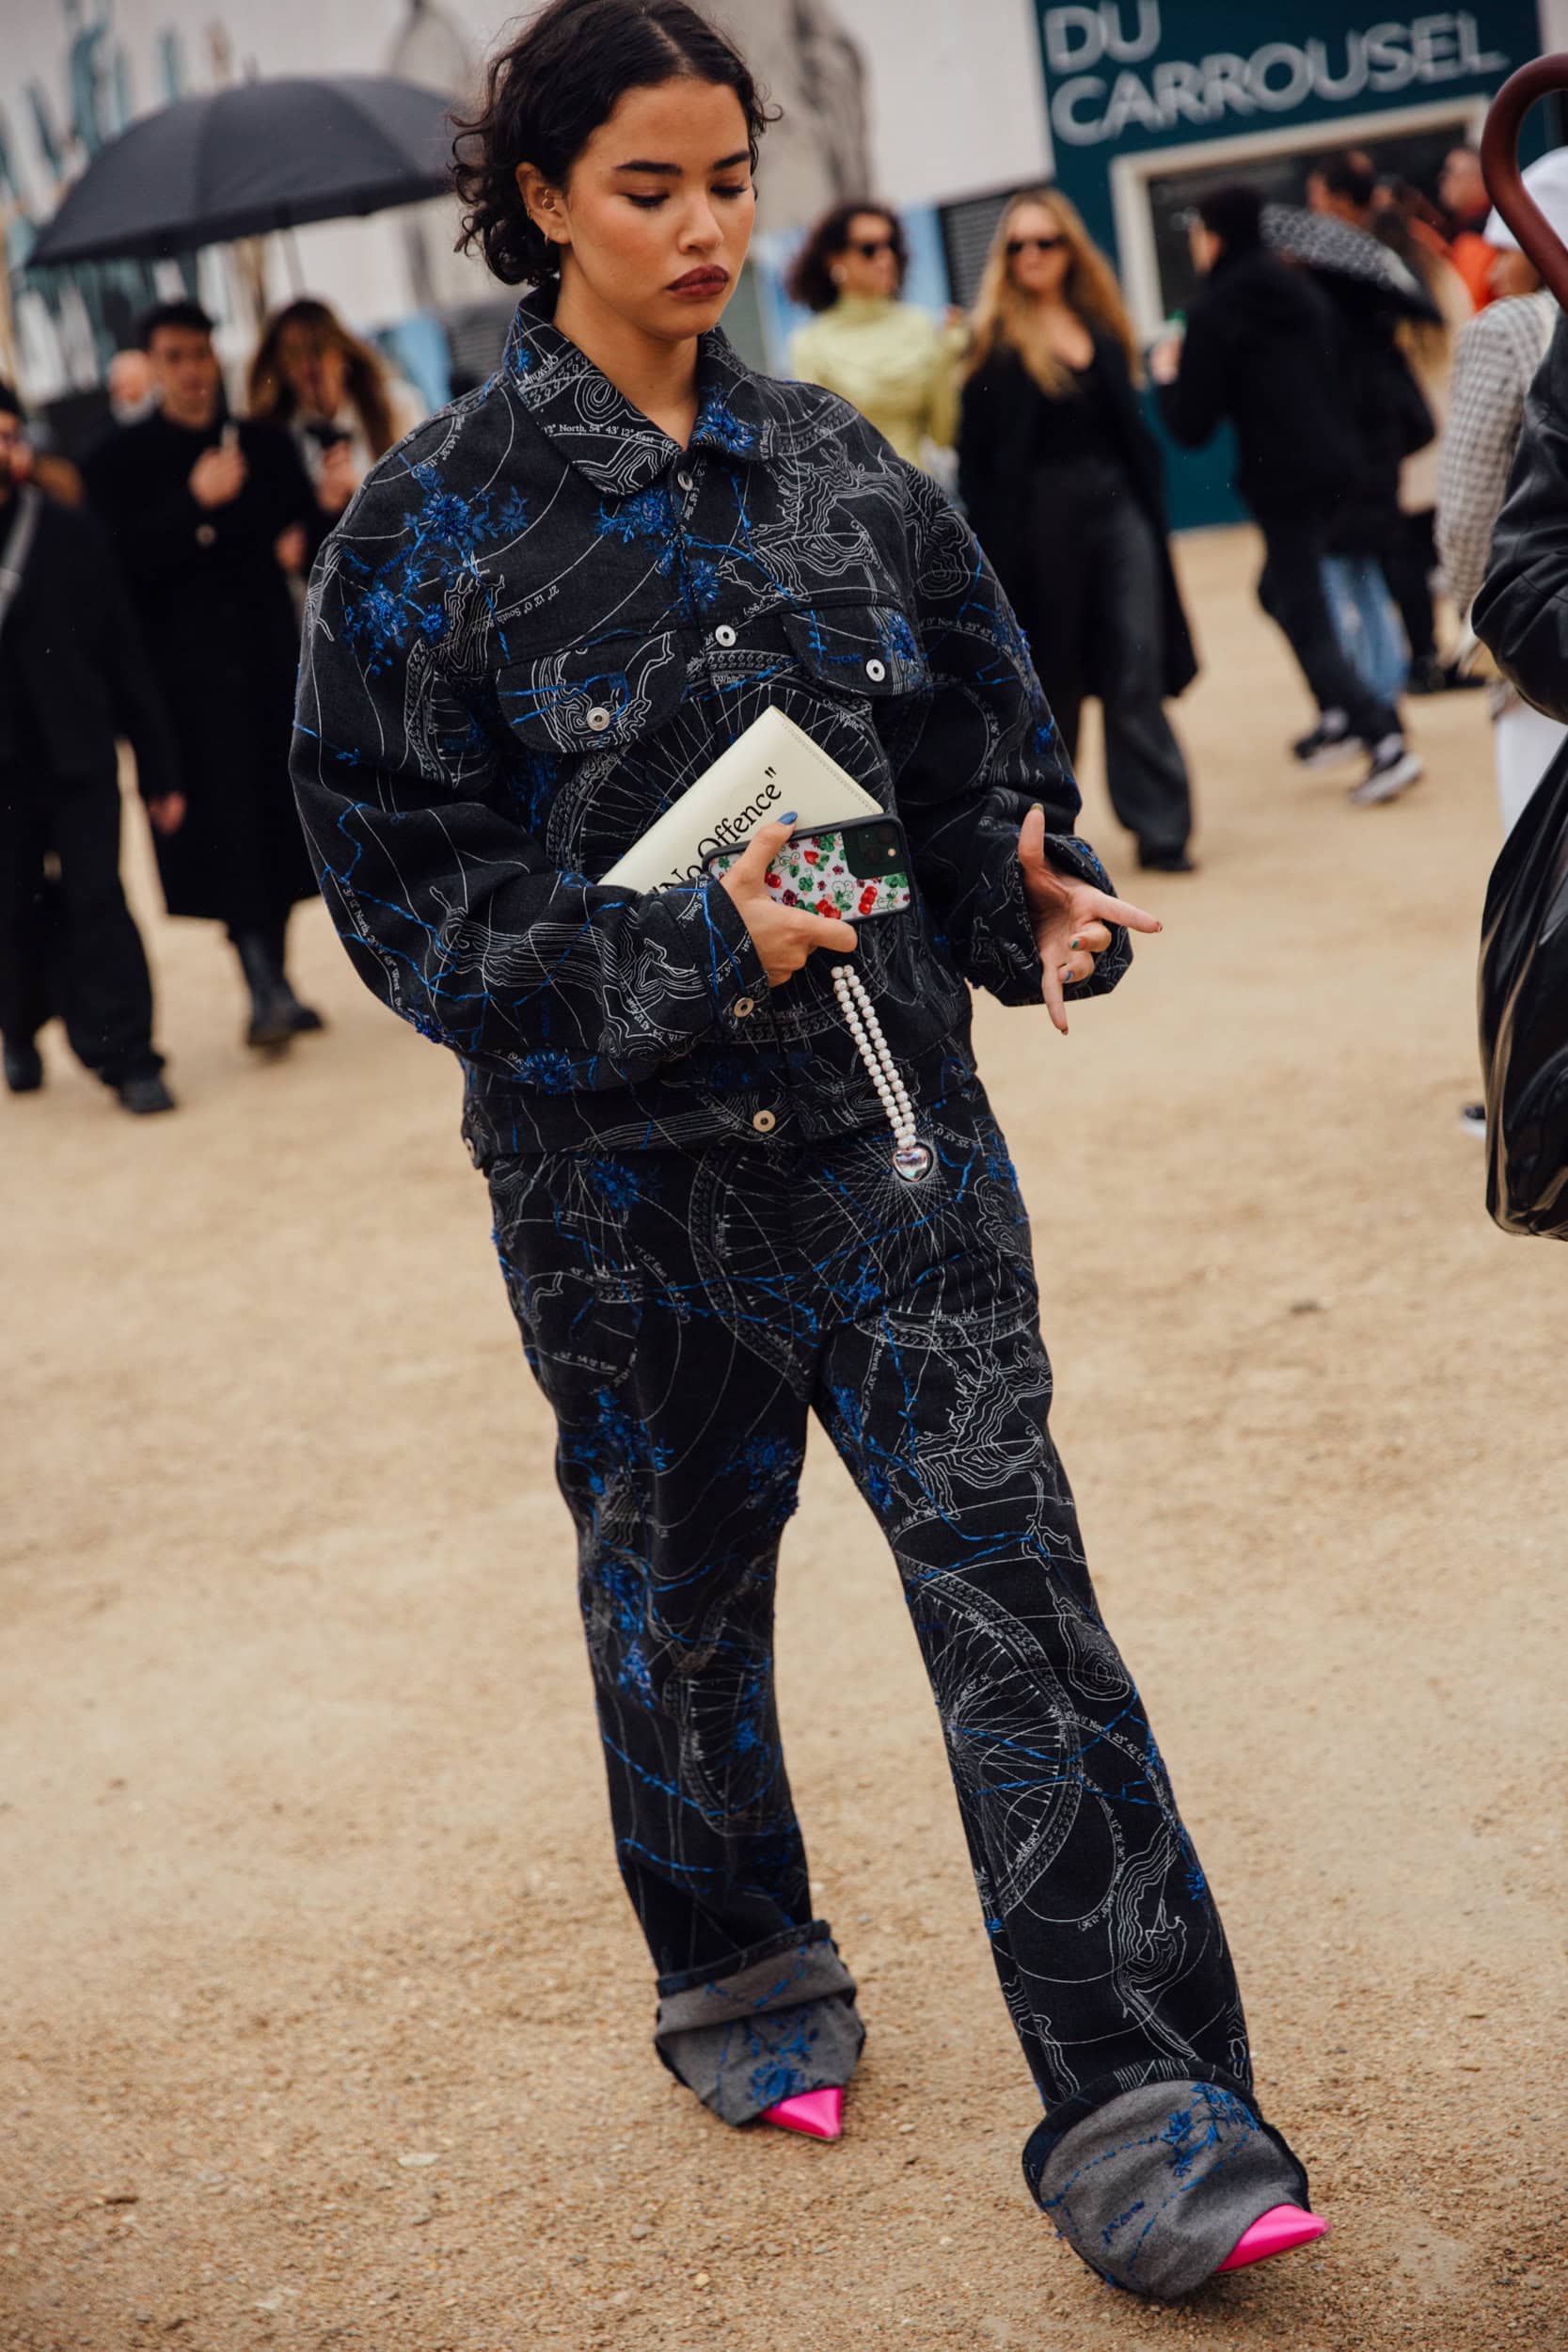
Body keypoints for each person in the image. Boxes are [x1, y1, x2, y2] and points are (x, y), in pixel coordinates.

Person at [291, 0, 1323, 2300]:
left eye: (729, 179)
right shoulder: (424, 531)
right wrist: (691, 943)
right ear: (541, 199)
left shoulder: (844, 470)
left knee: (1014, 1596)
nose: (705, 228)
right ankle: (739, 1957)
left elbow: (969, 752)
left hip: (895, 1151)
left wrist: (1020, 888)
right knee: (676, 1589)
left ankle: (1151, 2103)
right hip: (618, 1198)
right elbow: (409, 904)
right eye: (648, 187)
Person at [83, 300, 326, 1050]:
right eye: (175, 357)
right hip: (183, 683)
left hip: (268, 667)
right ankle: (261, 980)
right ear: (153, 366)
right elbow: (114, 573)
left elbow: (309, 543)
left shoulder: (263, 444)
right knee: (223, 828)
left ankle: (275, 975)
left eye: (201, 353)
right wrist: (194, 506)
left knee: (279, 822)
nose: (192, 370)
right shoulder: (116, 464)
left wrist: (324, 511)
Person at [1153, 183, 1422, 806]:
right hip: (1337, 469)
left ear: (1213, 236)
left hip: (1283, 483)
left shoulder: (1213, 310)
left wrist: (1167, 375)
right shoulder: (1300, 290)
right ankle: (1340, 712)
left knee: (1304, 612)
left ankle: (1382, 735)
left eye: (1197, 233)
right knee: (1277, 592)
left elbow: (1191, 425)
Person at [957, 188, 1196, 873]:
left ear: (1070, 249)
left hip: (1118, 511)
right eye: (1017, 245)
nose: (1032, 255)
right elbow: (979, 464)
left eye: (1046, 241)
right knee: (1050, 680)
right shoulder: (995, 343)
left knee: (1135, 662)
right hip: (1040, 527)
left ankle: (1162, 828)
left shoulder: (1100, 324)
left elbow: (1133, 436)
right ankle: (1047, 837)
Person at [0, 381, 179, 1112]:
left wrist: (160, 767)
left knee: (97, 898)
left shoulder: (68, 532)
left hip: (76, 753)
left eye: (7, 434)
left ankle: (129, 1054)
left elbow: (123, 653)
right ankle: (19, 1025)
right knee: (9, 906)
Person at [1438, 153, 1564, 837]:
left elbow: (1467, 508)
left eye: (1507, 251)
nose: (1490, 273)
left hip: (1550, 628)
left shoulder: (1510, 328)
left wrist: (1482, 616)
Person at [1304, 153, 1433, 721]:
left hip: (1357, 451)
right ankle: (1385, 686)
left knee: (1355, 577)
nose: (1312, 209)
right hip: (1376, 448)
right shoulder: (1374, 269)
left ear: (1338, 201)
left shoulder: (1349, 280)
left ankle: (1375, 698)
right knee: (1369, 572)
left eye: (1318, 198)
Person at [1369, 179, 1478, 695]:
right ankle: (1471, 652)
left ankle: (1424, 657)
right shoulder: (1440, 274)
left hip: (1409, 439)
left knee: (1407, 558)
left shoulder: (1379, 288)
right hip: (1454, 427)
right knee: (1460, 551)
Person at [786, 202, 958, 469]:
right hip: (852, 492)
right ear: (835, 259)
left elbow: (943, 436)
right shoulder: (810, 344)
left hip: (919, 489)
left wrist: (946, 357)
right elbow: (814, 451)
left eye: (891, 245)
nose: (885, 257)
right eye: (869, 249)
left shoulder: (920, 325)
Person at [247, 296, 424, 522]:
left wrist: (362, 493)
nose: (308, 367)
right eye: (294, 354)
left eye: (317, 349)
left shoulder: (396, 406)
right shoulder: (273, 437)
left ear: (342, 351)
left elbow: (426, 493)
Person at [1438, 143, 1497, 312]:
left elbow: (1468, 306)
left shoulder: (1483, 236)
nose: (1442, 179)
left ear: (1478, 179)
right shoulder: (1461, 230)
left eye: (1450, 172)